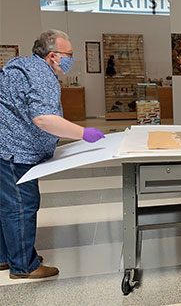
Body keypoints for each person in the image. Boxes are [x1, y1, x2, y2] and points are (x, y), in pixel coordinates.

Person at [0, 29, 105, 279]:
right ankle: (24, 266)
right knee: (21, 206)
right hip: (17, 153)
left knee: (7, 205)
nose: (70, 59)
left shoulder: (21, 65)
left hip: (5, 148)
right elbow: (44, 119)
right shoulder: (42, 75)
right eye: (68, 54)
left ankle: (8, 256)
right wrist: (83, 133)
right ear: (52, 56)